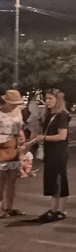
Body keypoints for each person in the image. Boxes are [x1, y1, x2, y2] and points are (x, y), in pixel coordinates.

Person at [33, 89, 71, 222]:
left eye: (50, 99)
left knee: (59, 180)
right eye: (46, 98)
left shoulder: (62, 116)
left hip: (58, 152)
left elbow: (62, 136)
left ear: (57, 100)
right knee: (52, 180)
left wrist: (44, 138)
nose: (47, 101)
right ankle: (53, 209)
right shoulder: (49, 115)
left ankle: (61, 210)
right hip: (50, 151)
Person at [0, 90, 27, 218]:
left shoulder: (18, 111)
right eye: (12, 103)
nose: (15, 105)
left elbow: (20, 127)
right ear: (6, 101)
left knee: (12, 179)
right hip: (2, 146)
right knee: (1, 179)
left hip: (14, 145)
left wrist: (22, 138)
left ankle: (9, 207)